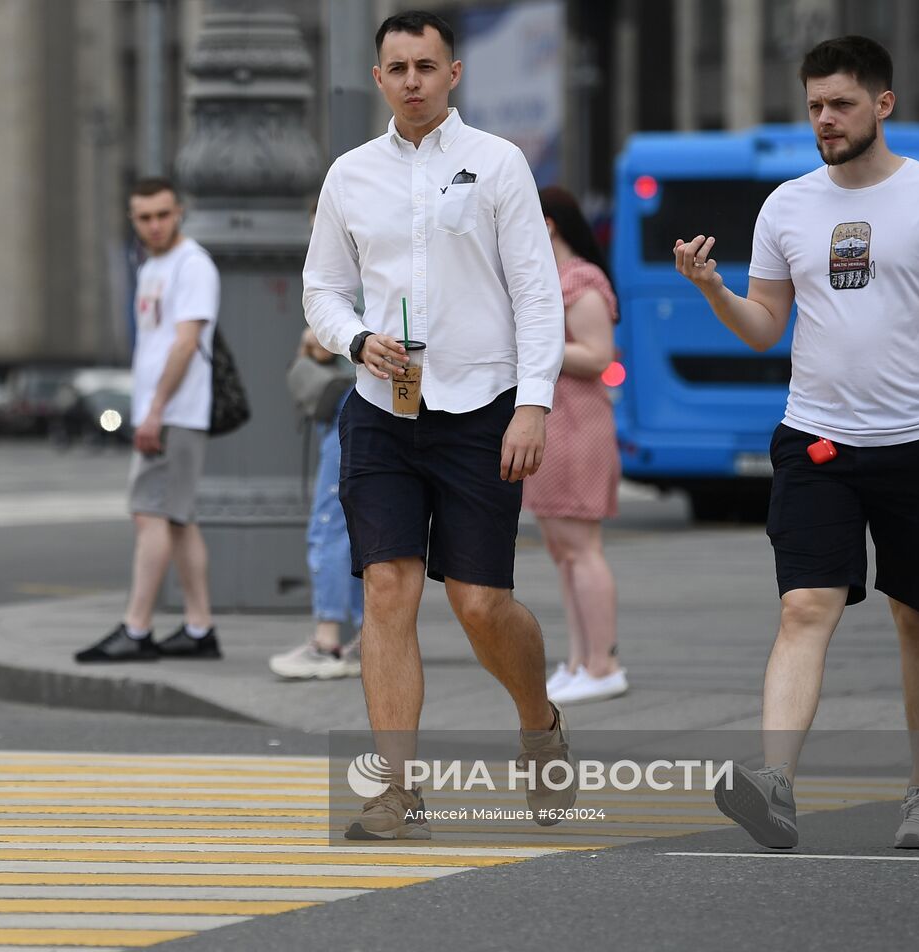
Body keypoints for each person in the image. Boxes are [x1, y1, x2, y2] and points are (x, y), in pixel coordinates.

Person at [675, 36, 919, 850]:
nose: (825, 118)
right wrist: (714, 288)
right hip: (816, 439)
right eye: (815, 104)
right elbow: (764, 328)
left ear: (882, 104)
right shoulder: (787, 205)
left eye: (841, 103)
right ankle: (774, 783)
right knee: (803, 606)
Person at [303, 10, 572, 841]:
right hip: (383, 412)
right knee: (388, 589)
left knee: (482, 603)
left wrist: (534, 402)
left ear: (454, 74)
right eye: (398, 67)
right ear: (378, 78)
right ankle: (398, 791)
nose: (413, 80)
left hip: (482, 409)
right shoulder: (349, 174)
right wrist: (355, 338)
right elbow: (322, 289)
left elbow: (536, 290)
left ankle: (539, 723)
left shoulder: (497, 165)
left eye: (427, 65)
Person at [75, 178, 224, 663]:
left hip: (174, 412)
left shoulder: (192, 264)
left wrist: (155, 411)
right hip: (166, 412)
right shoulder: (153, 265)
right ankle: (200, 628)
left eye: (163, 214)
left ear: (179, 211)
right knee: (178, 520)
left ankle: (136, 628)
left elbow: (185, 343)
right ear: (133, 220)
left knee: (150, 515)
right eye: (144, 217)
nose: (155, 225)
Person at [523, 187, 626, 705]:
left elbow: (598, 354)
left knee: (581, 549)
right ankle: (579, 660)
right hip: (552, 420)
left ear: (548, 224)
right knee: (563, 551)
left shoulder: (580, 279)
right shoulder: (547, 280)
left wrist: (532, 346)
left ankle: (602, 663)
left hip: (576, 421)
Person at [269, 327, 364, 680]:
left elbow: (325, 341)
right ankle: (368, 641)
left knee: (331, 523)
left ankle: (327, 642)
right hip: (382, 397)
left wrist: (312, 337)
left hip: (352, 396)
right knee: (360, 527)